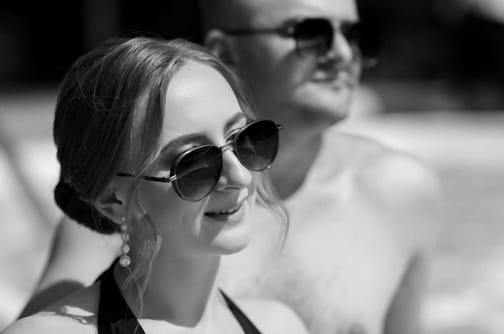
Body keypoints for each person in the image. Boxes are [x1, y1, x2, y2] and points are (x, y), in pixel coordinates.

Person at [20, 0, 442, 333]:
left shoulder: (400, 192)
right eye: (310, 32)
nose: (343, 54)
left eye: (352, 34)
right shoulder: (101, 224)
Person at [5, 37, 307, 334]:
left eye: (244, 140)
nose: (240, 177)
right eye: (193, 163)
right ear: (113, 200)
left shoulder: (280, 325)